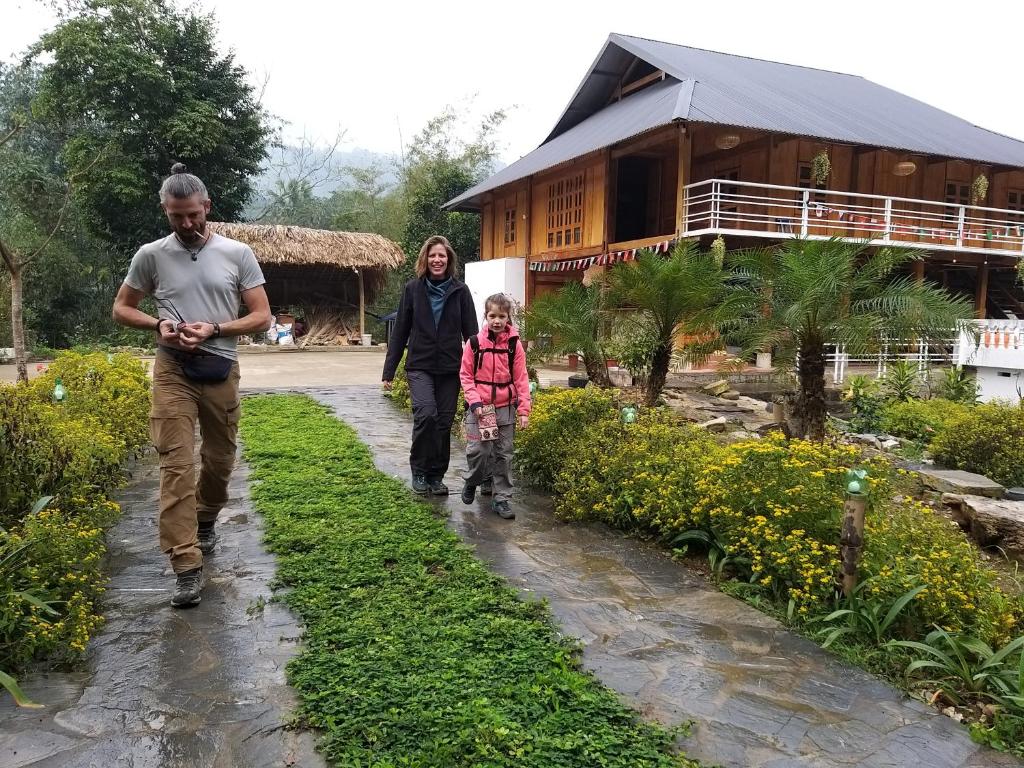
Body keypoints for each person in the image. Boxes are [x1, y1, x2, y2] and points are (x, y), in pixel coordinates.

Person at [112, 163, 272, 608]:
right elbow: (122, 308)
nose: (185, 224)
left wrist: (215, 329)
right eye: (175, 216)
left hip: (220, 367)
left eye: (192, 215)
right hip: (173, 369)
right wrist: (157, 324)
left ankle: (205, 519)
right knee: (175, 464)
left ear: (207, 208)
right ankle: (185, 564)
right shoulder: (151, 255)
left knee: (220, 461)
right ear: (165, 211)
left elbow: (262, 316)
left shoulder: (237, 253)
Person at [382, 235, 477, 495]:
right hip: (420, 364)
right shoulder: (413, 289)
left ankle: (436, 476)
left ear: (449, 260)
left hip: (450, 367)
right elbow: (400, 330)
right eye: (433, 255)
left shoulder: (460, 291)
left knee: (444, 421)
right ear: (425, 259)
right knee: (426, 415)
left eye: (442, 256)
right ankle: (420, 471)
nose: (437, 260)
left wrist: (477, 373)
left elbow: (472, 335)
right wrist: (389, 371)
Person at [459, 293, 531, 519]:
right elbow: (466, 376)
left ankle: (502, 499)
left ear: (508, 317)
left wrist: (524, 411)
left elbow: (521, 378)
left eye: (502, 316)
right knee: (480, 451)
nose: (497, 320)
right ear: (486, 316)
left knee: (503, 455)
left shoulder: (514, 345)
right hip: (483, 409)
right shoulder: (474, 344)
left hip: (505, 408)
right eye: (492, 315)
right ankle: (473, 481)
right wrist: (475, 401)